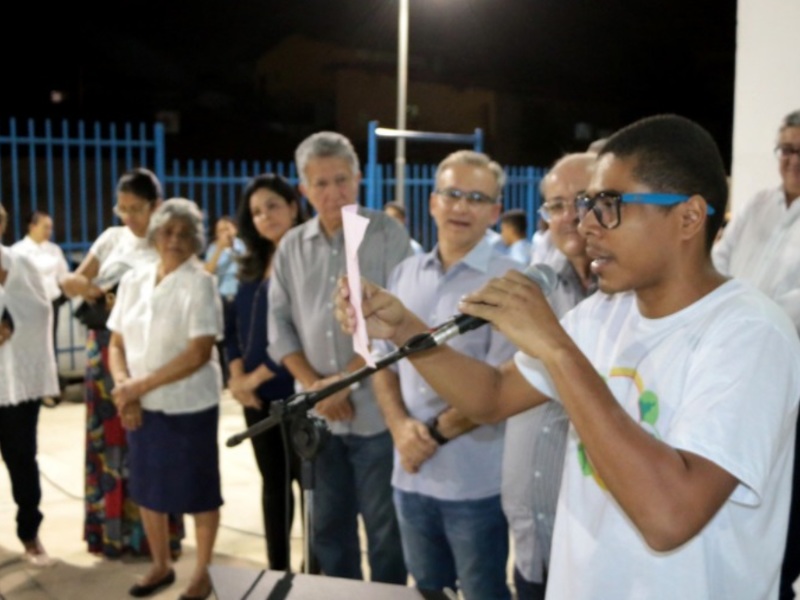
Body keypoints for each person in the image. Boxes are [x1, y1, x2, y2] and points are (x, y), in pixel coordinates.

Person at [336, 114, 800, 599]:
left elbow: (670, 516)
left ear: (687, 217)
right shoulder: (601, 315)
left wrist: (556, 348)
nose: (586, 224)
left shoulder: (749, 332)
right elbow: (491, 398)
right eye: (586, 204)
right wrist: (409, 331)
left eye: (609, 205)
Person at [372, 150, 518, 599]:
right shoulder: (405, 273)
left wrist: (429, 439)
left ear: (494, 212)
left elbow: (501, 386)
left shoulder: (510, 283)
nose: (461, 207)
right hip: (409, 475)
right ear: (433, 202)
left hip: (474, 483)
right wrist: (400, 429)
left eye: (476, 198)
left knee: (481, 592)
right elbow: (381, 364)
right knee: (427, 591)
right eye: (452, 194)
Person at [268, 131, 409, 583]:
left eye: (342, 180)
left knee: (385, 530)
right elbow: (279, 326)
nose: (333, 193)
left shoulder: (386, 234)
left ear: (359, 178)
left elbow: (403, 320)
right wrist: (316, 386)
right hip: (318, 419)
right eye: (321, 183)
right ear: (304, 188)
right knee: (328, 528)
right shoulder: (292, 245)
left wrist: (344, 380)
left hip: (375, 415)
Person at [60, 167, 183, 558]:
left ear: (156, 206)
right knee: (108, 442)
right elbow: (70, 281)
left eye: (136, 209)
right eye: (122, 208)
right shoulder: (113, 239)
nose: (128, 217)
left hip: (150, 354)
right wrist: (96, 289)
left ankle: (155, 540)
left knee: (150, 442)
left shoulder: (167, 244)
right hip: (105, 351)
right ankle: (110, 535)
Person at [108, 198, 223, 600]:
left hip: (188, 406)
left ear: (196, 240)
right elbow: (117, 342)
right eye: (168, 231)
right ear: (155, 234)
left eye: (184, 233)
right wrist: (125, 387)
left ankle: (204, 573)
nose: (174, 239)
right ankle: (161, 565)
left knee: (199, 491)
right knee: (148, 489)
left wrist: (135, 388)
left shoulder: (201, 283)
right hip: (141, 404)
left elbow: (198, 352)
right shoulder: (133, 280)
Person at [712, 109, 800, 600]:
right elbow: (718, 263)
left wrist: (738, 315)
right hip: (734, 373)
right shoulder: (759, 203)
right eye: (784, 149)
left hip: (790, 385)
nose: (791, 160)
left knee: (784, 516)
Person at [505, 152, 596, 600]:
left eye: (583, 199)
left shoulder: (637, 299)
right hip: (534, 541)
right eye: (556, 205)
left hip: (596, 553)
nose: (570, 216)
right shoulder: (535, 284)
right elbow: (500, 388)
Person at [225, 174, 306, 570]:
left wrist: (253, 378)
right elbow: (232, 328)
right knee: (273, 487)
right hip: (254, 399)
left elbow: (303, 333)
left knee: (310, 490)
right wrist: (236, 375)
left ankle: (316, 573)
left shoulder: (306, 261)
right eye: (256, 211)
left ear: (292, 206)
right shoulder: (251, 265)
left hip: (296, 394)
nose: (265, 216)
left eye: (273, 205)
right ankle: (278, 571)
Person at [0, 202, 59, 567]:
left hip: (15, 383)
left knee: (22, 459)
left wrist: (12, 323)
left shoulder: (21, 264)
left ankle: (29, 532)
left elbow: (41, 309)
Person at [11, 210, 71, 407]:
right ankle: (29, 388)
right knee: (28, 347)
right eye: (45, 227)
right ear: (32, 226)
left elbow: (64, 277)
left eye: (50, 228)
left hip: (50, 304)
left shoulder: (53, 250)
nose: (49, 231)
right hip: (25, 307)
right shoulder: (18, 251)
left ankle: (48, 389)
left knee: (49, 345)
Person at [205, 215, 245, 387]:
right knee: (224, 339)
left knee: (241, 337)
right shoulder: (213, 249)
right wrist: (220, 250)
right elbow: (208, 271)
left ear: (235, 229)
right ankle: (225, 378)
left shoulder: (242, 246)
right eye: (220, 230)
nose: (224, 233)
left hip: (239, 296)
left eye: (227, 228)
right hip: (221, 298)